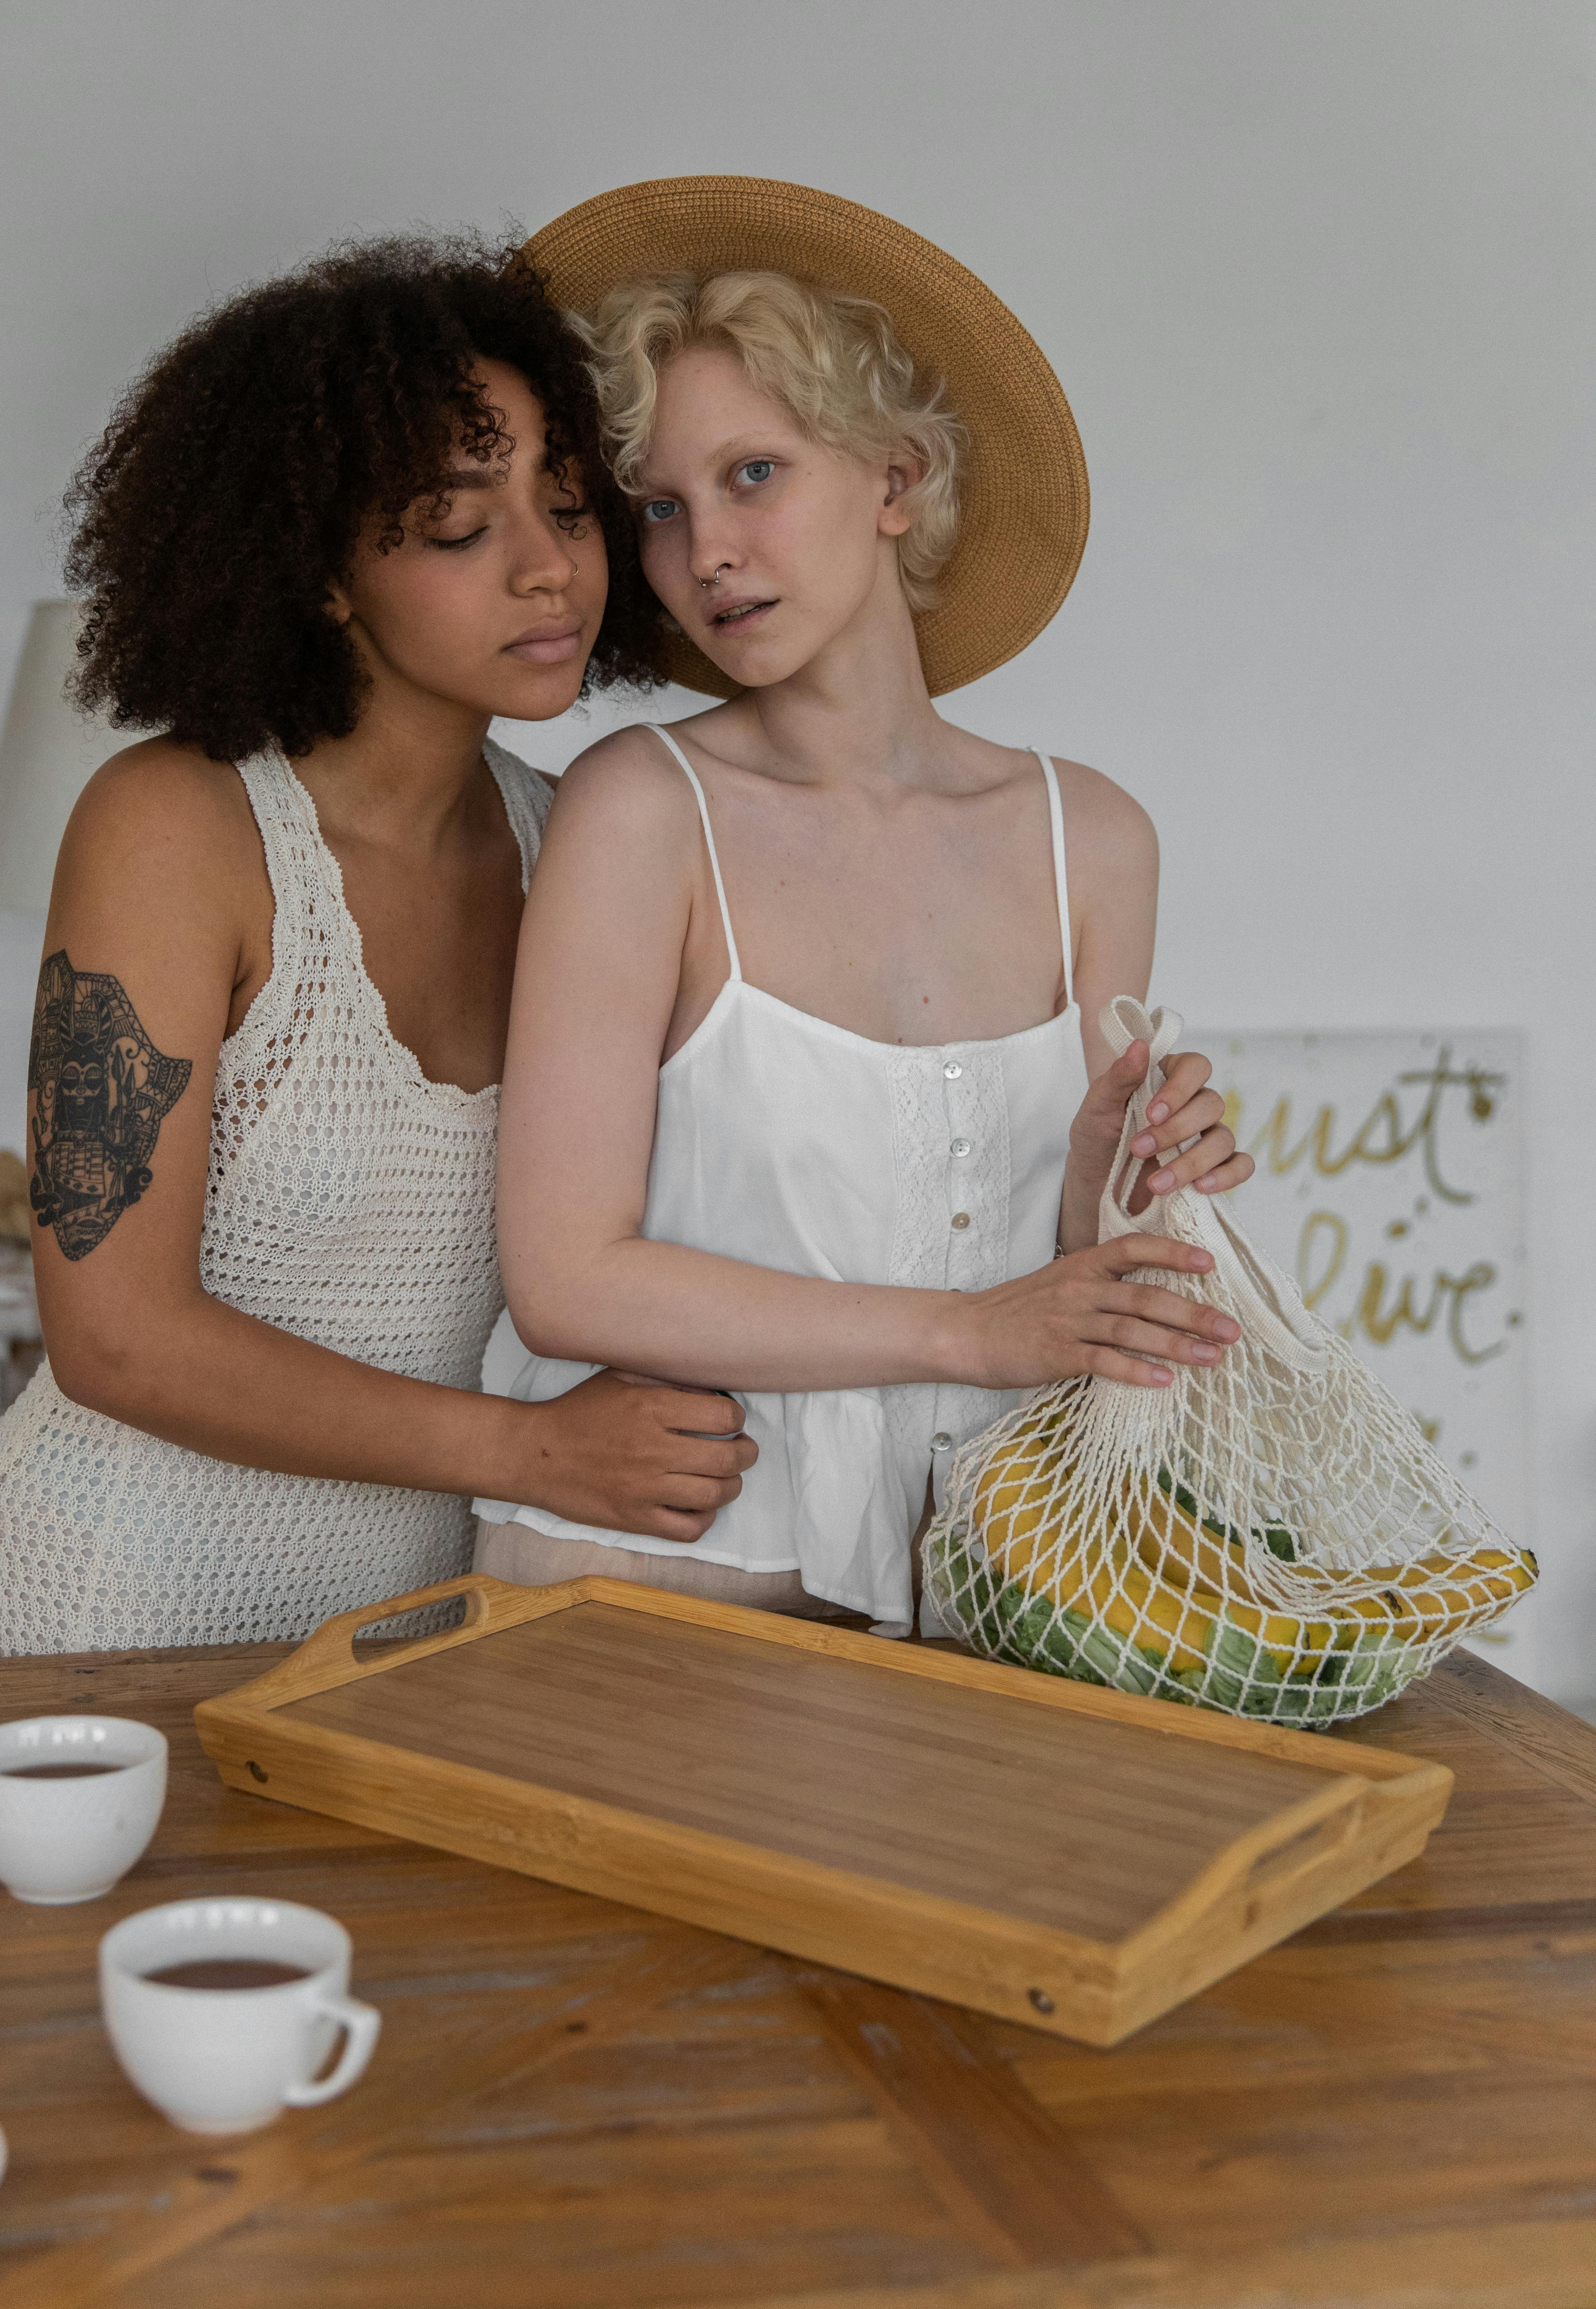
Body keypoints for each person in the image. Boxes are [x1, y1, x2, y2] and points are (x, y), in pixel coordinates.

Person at [0, 233, 761, 1658]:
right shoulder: (176, 826)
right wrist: (533, 1454)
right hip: (96, 1624)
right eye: (458, 526)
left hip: (407, 1653)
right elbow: (115, 1335)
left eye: (566, 505)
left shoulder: (590, 846)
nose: (549, 569)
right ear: (316, 570)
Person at [476, 177, 1255, 1636]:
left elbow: (1054, 1286)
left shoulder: (1093, 838)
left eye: (753, 476)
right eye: (660, 507)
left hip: (978, 1588)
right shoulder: (640, 811)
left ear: (897, 480)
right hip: (664, 1582)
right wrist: (967, 1335)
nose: (703, 551)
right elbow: (564, 1280)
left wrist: (1114, 1182)